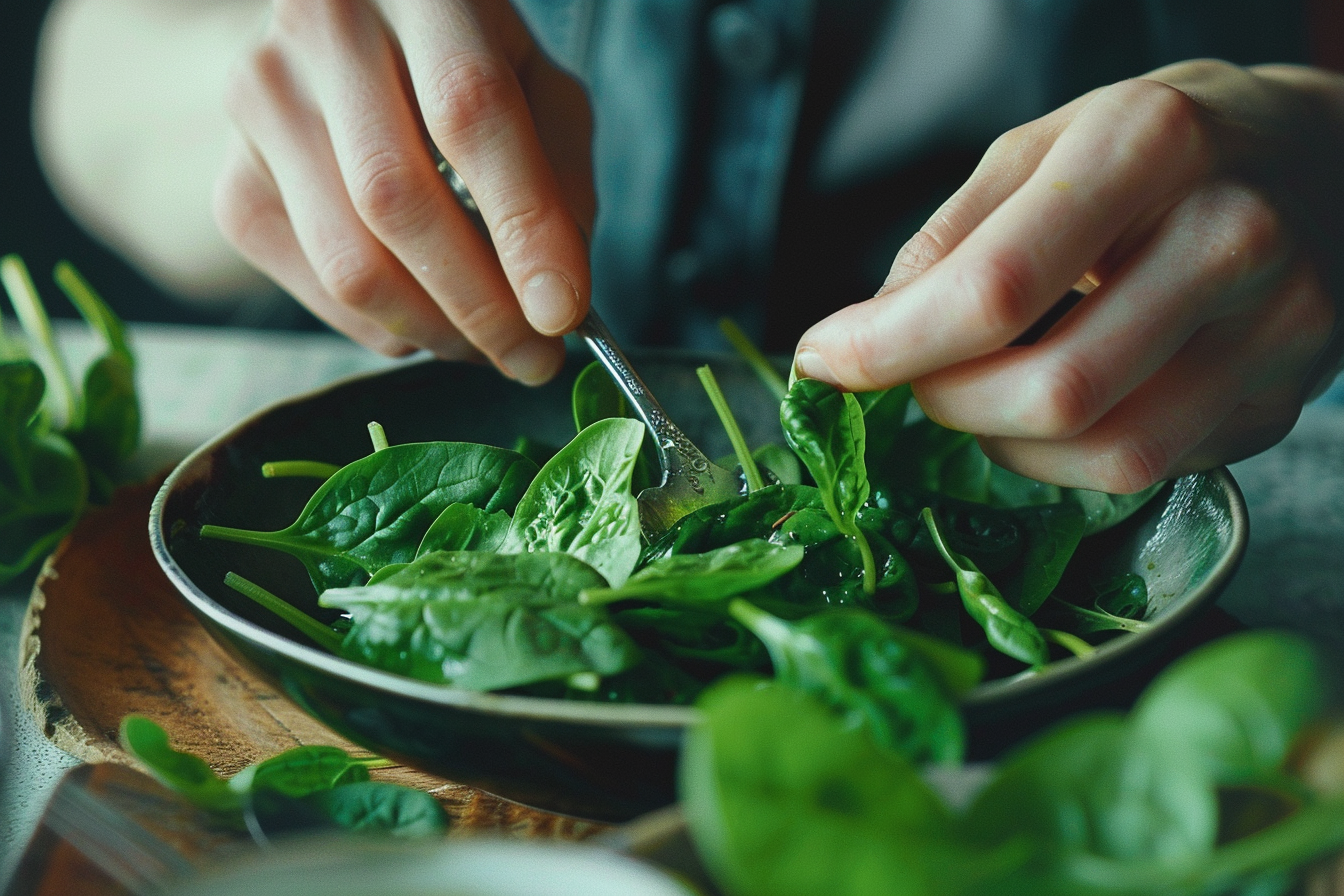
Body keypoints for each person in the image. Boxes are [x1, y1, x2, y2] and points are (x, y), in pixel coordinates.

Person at [33, 0, 1344, 494]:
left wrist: (1322, 158)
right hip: (326, 427)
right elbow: (83, 70)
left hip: (1105, 478)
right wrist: (253, 106)